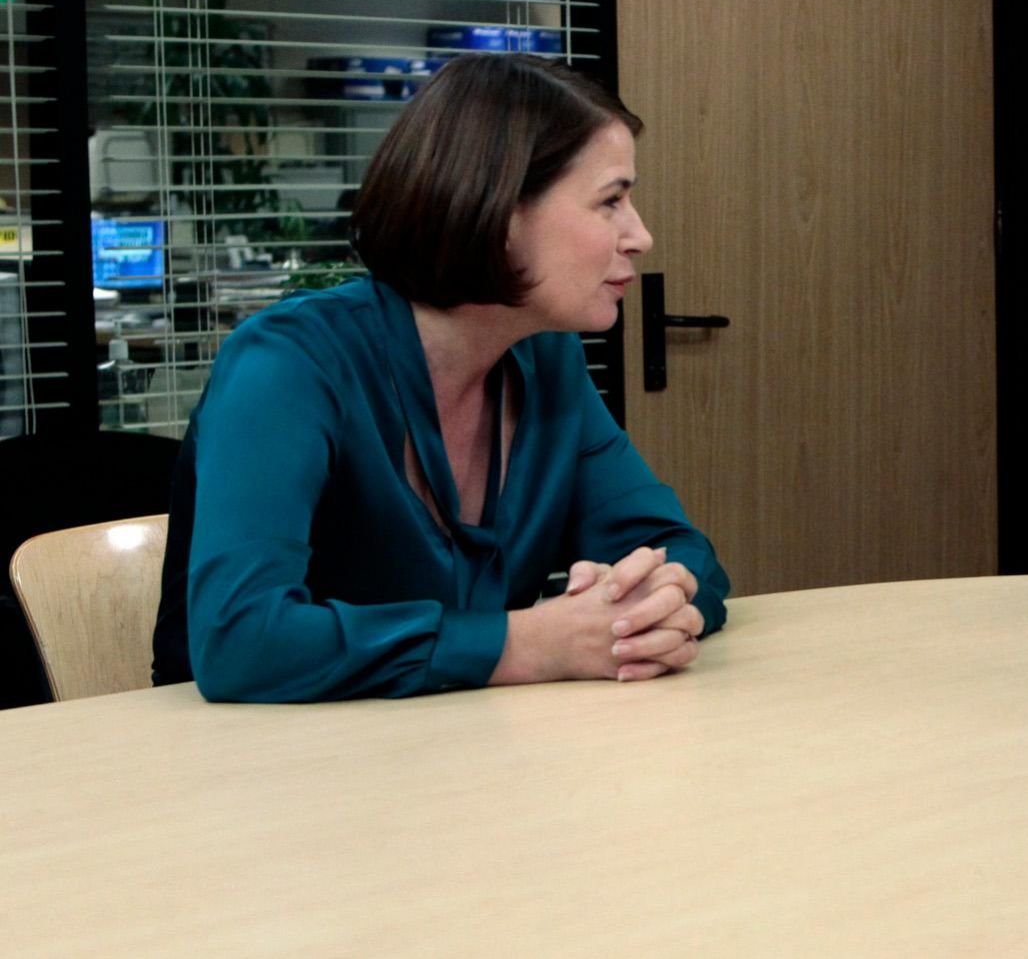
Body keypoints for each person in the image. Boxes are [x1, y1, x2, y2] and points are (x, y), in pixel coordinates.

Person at [152, 53, 729, 702]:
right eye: (611, 201)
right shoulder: (287, 363)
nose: (640, 235)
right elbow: (241, 639)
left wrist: (656, 605)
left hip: (466, 742)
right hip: (243, 756)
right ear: (500, 212)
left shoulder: (546, 358)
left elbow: (673, 547)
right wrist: (528, 643)